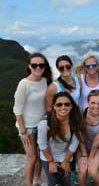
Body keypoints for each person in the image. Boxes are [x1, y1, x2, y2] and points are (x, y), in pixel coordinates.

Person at [13, 52, 52, 186]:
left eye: (41, 65)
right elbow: (17, 110)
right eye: (34, 65)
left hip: (41, 125)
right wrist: (23, 131)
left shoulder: (44, 81)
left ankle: (37, 181)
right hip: (27, 127)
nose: (38, 68)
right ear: (29, 66)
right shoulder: (24, 84)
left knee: (40, 157)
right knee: (32, 157)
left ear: (44, 67)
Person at [37, 92, 86, 186]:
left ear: (71, 106)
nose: (63, 107)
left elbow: (74, 143)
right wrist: (51, 162)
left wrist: (66, 161)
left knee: (66, 182)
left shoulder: (75, 122)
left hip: (66, 155)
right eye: (59, 104)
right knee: (53, 183)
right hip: (48, 156)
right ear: (54, 107)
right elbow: (42, 144)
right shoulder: (45, 123)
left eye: (67, 104)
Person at [77, 90, 99, 186]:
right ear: (88, 102)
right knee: (83, 169)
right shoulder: (81, 113)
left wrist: (90, 157)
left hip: (97, 145)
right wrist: (84, 155)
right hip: (82, 144)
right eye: (93, 103)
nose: (96, 106)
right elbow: (80, 135)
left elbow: (97, 139)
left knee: (93, 170)